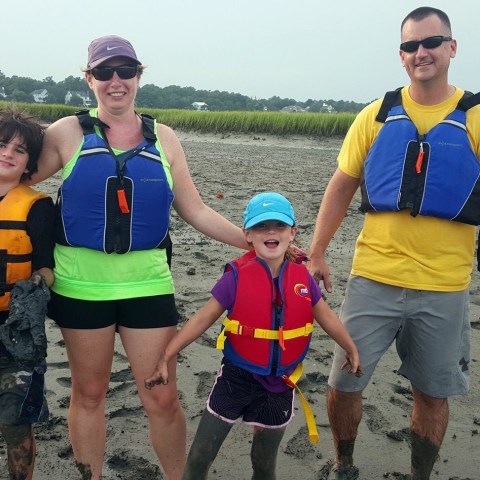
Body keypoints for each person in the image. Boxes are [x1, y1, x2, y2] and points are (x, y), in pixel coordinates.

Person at [27, 35, 249, 480]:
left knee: (161, 395)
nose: (116, 81)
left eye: (125, 71)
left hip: (148, 284)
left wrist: (253, 242)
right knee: (89, 394)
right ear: (88, 79)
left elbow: (195, 209)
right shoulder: (66, 133)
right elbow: (13, 178)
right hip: (79, 286)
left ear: (138, 77)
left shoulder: (163, 138)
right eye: (104, 72)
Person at [308, 6, 480, 480]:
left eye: (431, 42)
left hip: (444, 286)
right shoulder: (376, 115)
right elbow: (341, 184)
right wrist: (318, 251)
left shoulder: (477, 117)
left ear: (452, 47)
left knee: (433, 394)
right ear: (401, 56)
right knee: (344, 383)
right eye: (411, 46)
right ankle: (344, 464)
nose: (421, 52)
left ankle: (419, 475)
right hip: (373, 279)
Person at [145, 192, 362, 480]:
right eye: (261, 227)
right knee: (199, 456)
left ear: (292, 233)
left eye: (279, 226)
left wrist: (350, 347)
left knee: (263, 463)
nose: (270, 232)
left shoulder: (303, 279)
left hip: (280, 384)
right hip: (235, 380)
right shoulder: (236, 276)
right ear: (247, 235)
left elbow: (327, 317)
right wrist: (167, 354)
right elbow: (202, 319)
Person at [0, 106, 55, 480]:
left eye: (20, 150)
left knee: (15, 422)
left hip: (17, 331)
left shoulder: (38, 208)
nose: (8, 153)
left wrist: (34, 290)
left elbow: (47, 269)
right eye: (3, 144)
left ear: (29, 164)